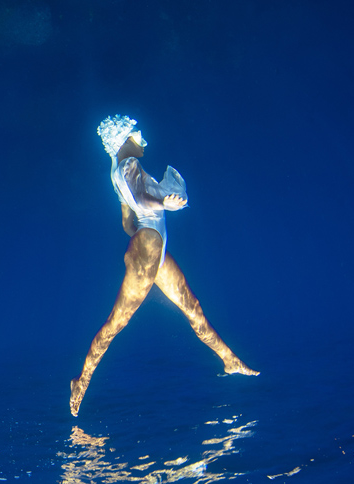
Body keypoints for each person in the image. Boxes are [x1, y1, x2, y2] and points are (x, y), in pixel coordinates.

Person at [69, 115, 257, 417]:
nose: (143, 140)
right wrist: (162, 208)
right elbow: (143, 200)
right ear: (125, 138)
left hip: (151, 246)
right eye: (137, 134)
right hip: (149, 248)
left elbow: (126, 223)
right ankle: (81, 382)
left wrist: (144, 236)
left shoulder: (117, 173)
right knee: (118, 321)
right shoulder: (129, 164)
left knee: (191, 306)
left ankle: (229, 360)